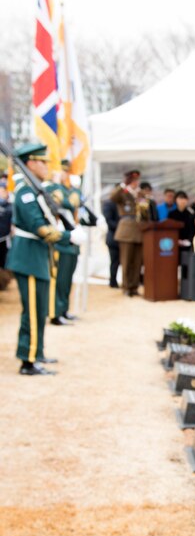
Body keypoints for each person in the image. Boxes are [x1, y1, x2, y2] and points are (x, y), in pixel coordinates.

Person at [6, 142, 86, 374]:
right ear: (31, 163)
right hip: (28, 257)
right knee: (32, 311)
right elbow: (39, 228)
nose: (46, 166)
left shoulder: (35, 190)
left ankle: (36, 351)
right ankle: (28, 360)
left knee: (40, 309)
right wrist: (69, 235)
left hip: (37, 256)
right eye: (42, 162)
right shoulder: (25, 192)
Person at [46, 159, 81, 324]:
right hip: (61, 241)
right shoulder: (52, 188)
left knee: (67, 279)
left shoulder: (70, 189)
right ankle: (56, 313)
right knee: (59, 280)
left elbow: (75, 203)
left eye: (67, 171)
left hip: (72, 240)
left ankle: (64, 309)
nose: (65, 174)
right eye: (63, 171)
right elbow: (64, 203)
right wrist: (60, 185)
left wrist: (70, 192)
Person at [110, 169, 143, 296]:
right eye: (133, 180)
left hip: (139, 231)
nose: (135, 183)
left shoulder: (139, 194)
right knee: (126, 260)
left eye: (136, 180)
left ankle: (134, 286)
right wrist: (124, 185)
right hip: (126, 231)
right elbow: (112, 197)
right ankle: (126, 286)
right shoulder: (123, 192)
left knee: (137, 261)